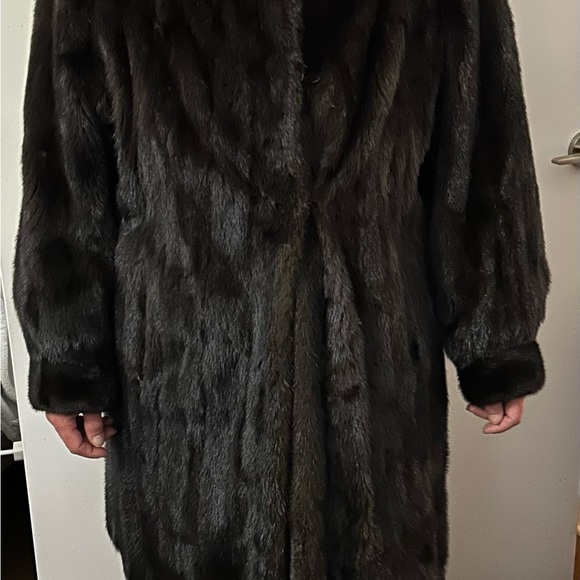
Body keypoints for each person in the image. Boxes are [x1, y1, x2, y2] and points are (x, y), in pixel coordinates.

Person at [12, 0, 551, 577]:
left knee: (373, 554)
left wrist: (496, 337)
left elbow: (481, 150)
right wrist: (69, 357)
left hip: (371, 379)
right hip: (185, 390)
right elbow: (67, 171)